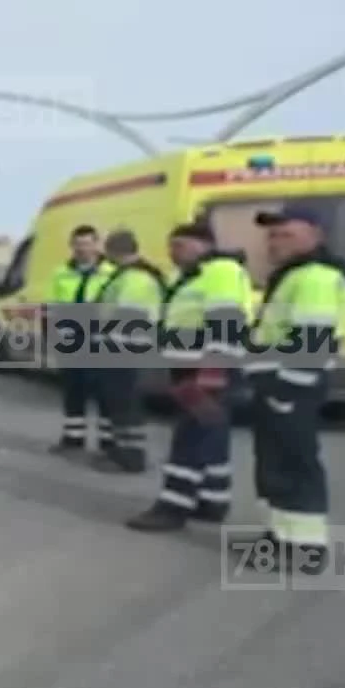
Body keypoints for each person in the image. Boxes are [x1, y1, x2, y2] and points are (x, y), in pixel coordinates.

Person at [245, 203, 345, 571]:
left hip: (291, 387)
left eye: (286, 234)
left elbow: (312, 339)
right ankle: (279, 538)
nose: (275, 243)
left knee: (295, 465)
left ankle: (306, 548)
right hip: (277, 385)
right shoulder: (294, 274)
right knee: (274, 465)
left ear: (315, 235)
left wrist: (285, 391)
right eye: (272, 236)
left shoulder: (316, 277)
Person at [126, 222, 252, 532]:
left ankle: (172, 507)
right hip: (189, 368)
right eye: (171, 246)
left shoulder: (220, 271)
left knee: (191, 437)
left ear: (202, 244)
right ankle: (212, 500)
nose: (172, 252)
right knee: (211, 435)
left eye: (179, 245)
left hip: (207, 370)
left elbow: (226, 322)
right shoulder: (191, 275)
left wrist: (211, 375)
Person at [89, 230, 167, 475]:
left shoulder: (136, 279)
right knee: (119, 404)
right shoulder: (130, 276)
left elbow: (129, 319)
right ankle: (121, 451)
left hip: (125, 351)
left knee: (126, 406)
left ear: (115, 251)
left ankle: (131, 457)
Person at [49, 225, 115, 454]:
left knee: (104, 392)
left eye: (87, 243)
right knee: (73, 390)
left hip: (101, 339)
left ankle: (108, 443)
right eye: (78, 244)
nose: (82, 249)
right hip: (71, 339)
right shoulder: (61, 273)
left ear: (97, 245)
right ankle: (73, 439)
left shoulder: (111, 272)